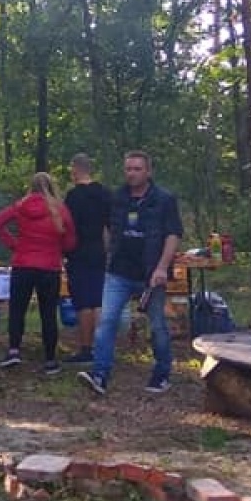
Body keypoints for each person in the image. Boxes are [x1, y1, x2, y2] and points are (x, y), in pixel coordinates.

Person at [81, 150, 184, 396]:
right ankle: (100, 374)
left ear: (148, 171)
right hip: (119, 272)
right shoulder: (117, 198)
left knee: (157, 325)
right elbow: (110, 229)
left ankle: (161, 374)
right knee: (106, 321)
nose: (132, 173)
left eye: (137, 169)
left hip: (150, 273)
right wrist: (108, 254)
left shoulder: (164, 199)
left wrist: (161, 267)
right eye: (128, 169)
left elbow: (173, 234)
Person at [0, 173, 77, 375]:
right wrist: (59, 250)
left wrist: (14, 245)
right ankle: (50, 360)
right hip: (49, 267)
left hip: (23, 264)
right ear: (51, 186)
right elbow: (70, 239)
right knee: (48, 314)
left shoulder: (20, 206)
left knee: (17, 309)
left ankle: (13, 350)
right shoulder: (59, 209)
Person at [62, 153, 112, 363]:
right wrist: (108, 250)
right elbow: (111, 227)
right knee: (97, 300)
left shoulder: (73, 196)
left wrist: (64, 251)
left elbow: (66, 226)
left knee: (83, 302)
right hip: (98, 251)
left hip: (78, 252)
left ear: (75, 169)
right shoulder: (104, 193)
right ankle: (102, 346)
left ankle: (85, 349)